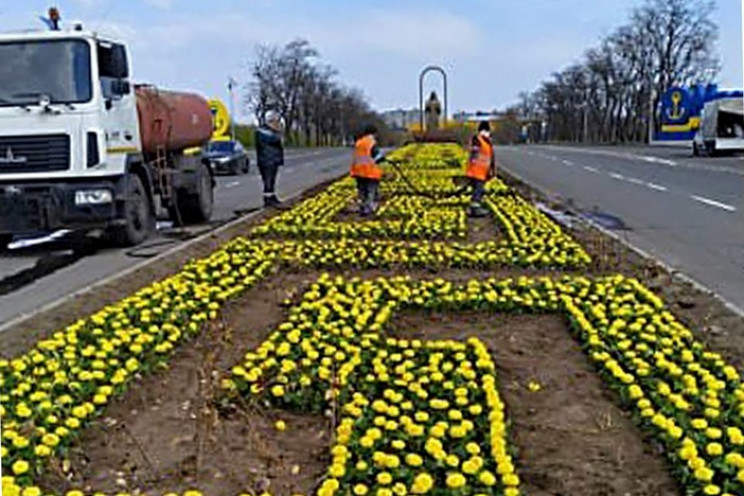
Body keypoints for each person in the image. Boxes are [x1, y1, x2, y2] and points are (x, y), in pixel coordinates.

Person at [350, 125, 386, 217]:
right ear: (374, 133)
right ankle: (367, 208)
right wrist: (382, 159)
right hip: (369, 172)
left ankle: (362, 207)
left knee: (362, 191)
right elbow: (376, 156)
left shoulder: (359, 142)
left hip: (358, 171)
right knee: (371, 191)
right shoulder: (371, 142)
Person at [465, 121, 496, 217]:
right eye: (488, 130)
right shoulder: (478, 139)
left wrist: (491, 171)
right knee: (478, 190)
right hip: (476, 170)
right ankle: (475, 209)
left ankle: (474, 208)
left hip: (482, 171)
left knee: (478, 190)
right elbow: (474, 152)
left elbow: (490, 157)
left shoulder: (486, 141)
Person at [255, 110, 285, 208]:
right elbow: (276, 139)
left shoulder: (269, 131)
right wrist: (279, 132)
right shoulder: (263, 131)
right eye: (276, 122)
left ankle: (272, 197)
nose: (277, 124)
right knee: (268, 181)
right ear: (270, 121)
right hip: (267, 160)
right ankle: (268, 200)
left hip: (272, 159)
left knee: (271, 181)